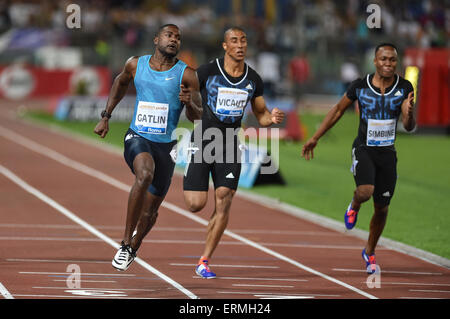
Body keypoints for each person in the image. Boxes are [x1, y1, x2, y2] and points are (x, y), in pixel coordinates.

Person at [94, 24, 202, 271]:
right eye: (169, 35)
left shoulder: (187, 75)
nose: (174, 39)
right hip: (138, 137)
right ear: (156, 39)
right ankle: (124, 243)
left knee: (151, 211)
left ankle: (133, 246)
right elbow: (120, 83)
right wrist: (106, 116)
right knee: (144, 174)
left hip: (166, 147)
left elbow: (198, 116)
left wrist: (189, 104)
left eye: (178, 37)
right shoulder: (135, 64)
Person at [301, 43, 415, 274]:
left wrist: (408, 114)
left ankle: (369, 252)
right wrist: (315, 137)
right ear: (375, 61)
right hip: (364, 149)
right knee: (365, 191)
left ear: (396, 62)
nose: (388, 64)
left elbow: (409, 126)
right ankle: (354, 205)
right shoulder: (360, 86)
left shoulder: (405, 87)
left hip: (388, 153)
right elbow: (337, 110)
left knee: (382, 208)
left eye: (392, 60)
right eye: (383, 59)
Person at [183, 26, 285, 279]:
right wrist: (189, 102)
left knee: (225, 196)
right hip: (205, 137)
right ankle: (190, 172)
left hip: (230, 141)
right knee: (196, 204)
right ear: (225, 46)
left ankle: (204, 260)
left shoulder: (254, 79)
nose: (240, 45)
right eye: (234, 41)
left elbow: (260, 114)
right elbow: (189, 96)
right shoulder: (207, 71)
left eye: (243, 41)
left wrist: (270, 118)